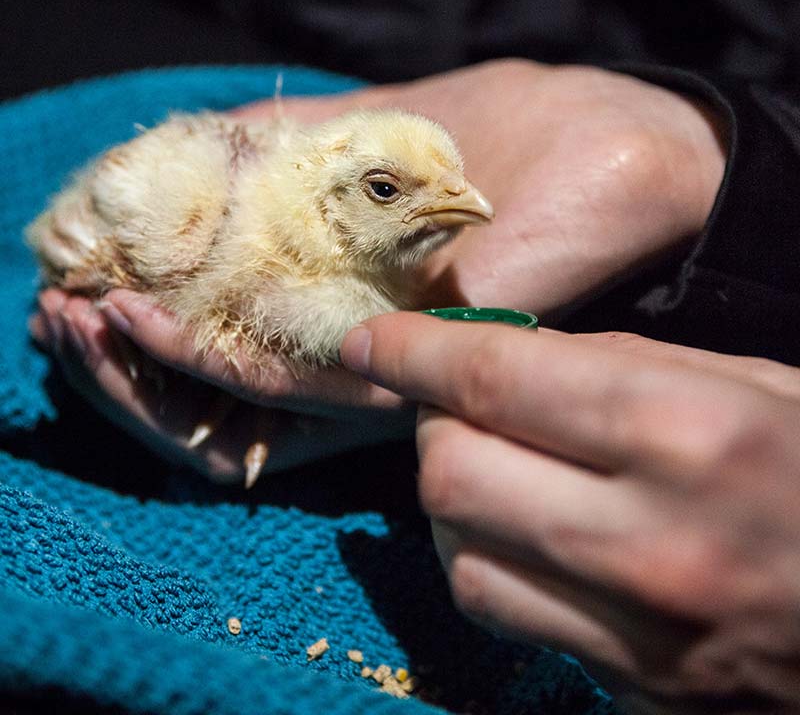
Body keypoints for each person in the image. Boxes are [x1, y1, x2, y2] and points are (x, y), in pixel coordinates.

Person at [29, 58, 800, 711]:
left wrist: (695, 163)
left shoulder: (347, 275)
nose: (466, 200)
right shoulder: (201, 218)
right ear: (327, 205)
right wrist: (690, 153)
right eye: (389, 191)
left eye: (448, 181)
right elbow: (114, 207)